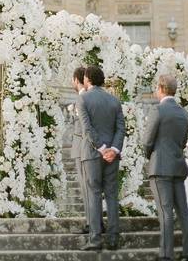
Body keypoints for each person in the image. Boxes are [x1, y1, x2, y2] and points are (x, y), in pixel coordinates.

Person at [142, 74, 188, 261]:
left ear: (162, 88)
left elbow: (147, 140)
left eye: (157, 88)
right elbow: (182, 142)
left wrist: (149, 155)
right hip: (177, 166)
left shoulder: (158, 110)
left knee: (165, 211)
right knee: (183, 211)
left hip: (160, 167)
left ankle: (166, 254)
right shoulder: (183, 113)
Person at [76, 65, 124, 251]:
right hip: (112, 155)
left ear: (87, 79)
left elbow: (87, 129)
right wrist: (113, 149)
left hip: (92, 154)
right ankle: (113, 239)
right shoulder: (114, 100)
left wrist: (102, 149)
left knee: (94, 194)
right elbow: (121, 128)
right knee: (112, 195)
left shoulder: (83, 99)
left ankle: (95, 240)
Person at [69, 66, 95, 235]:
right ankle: (91, 221)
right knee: (87, 188)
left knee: (87, 188)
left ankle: (91, 223)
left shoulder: (83, 98)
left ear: (77, 80)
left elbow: (85, 127)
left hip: (83, 148)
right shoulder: (84, 97)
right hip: (81, 147)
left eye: (73, 79)